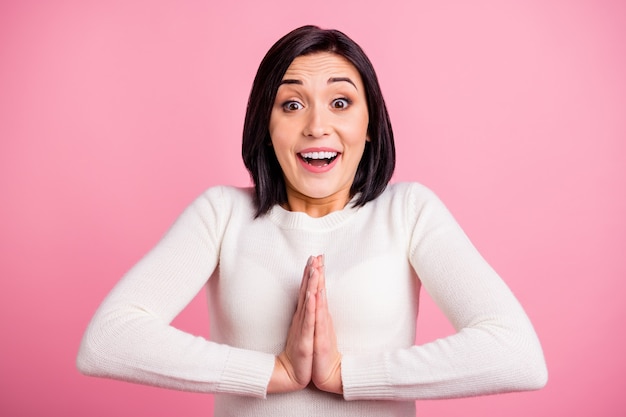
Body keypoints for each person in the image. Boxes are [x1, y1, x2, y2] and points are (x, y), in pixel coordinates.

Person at [77, 25, 547, 416]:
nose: (317, 126)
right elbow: (108, 340)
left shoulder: (408, 211)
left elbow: (517, 355)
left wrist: (345, 376)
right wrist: (274, 373)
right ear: (266, 126)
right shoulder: (222, 213)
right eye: (292, 104)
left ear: (369, 125)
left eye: (340, 103)